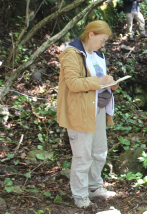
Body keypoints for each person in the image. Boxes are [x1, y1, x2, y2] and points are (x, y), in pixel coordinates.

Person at [57, 20, 119, 208]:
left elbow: (97, 81)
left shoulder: (97, 54)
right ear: (90, 34)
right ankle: (80, 196)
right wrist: (100, 82)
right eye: (101, 40)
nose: (103, 45)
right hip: (80, 111)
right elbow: (74, 84)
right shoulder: (71, 53)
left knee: (99, 151)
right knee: (82, 155)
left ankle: (94, 186)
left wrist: (110, 84)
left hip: (99, 108)